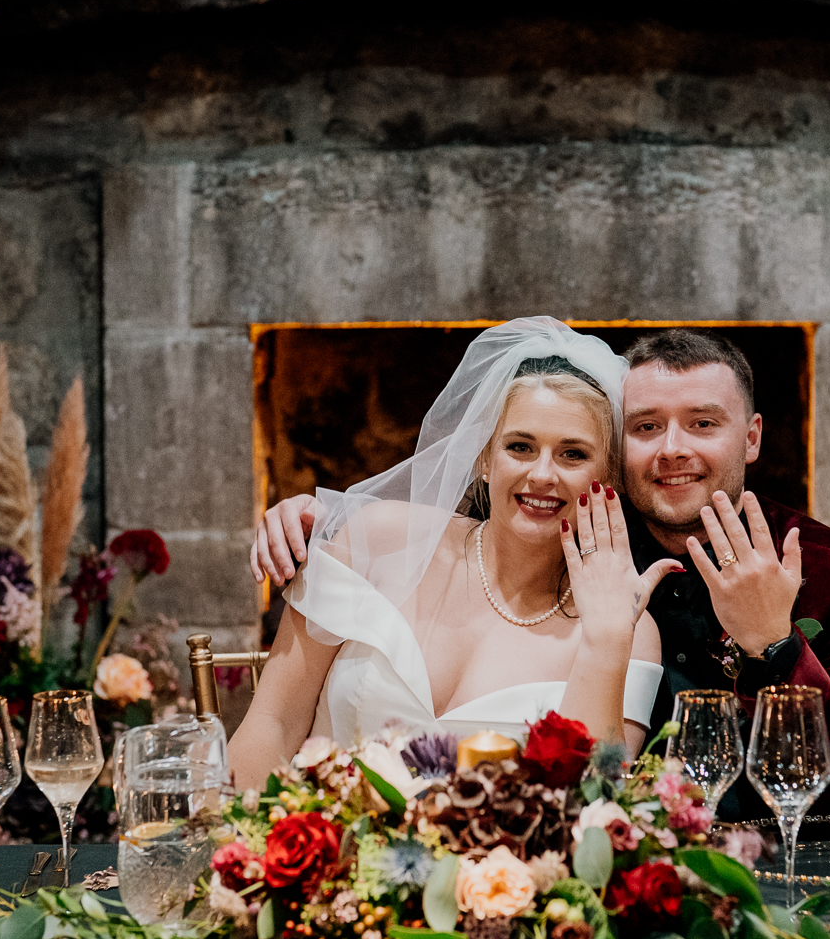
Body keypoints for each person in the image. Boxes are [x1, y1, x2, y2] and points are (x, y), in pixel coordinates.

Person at [252, 328, 830, 818]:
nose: (673, 449)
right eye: (648, 426)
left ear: (753, 436)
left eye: (702, 424)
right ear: (621, 461)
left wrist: (777, 645)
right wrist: (320, 516)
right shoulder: (567, 543)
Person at [228, 318, 674, 793]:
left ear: (606, 476)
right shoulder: (378, 540)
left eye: (573, 455)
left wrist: (604, 642)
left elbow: (597, 809)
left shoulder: (630, 632)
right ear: (484, 457)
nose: (543, 474)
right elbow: (272, 722)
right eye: (520, 447)